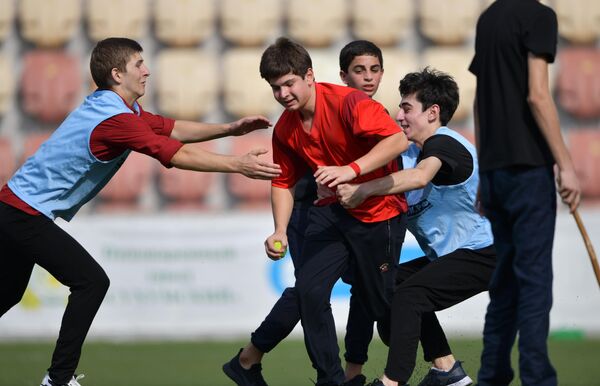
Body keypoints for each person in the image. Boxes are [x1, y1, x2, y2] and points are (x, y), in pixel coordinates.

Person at [0, 37, 281, 386]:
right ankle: (58, 379)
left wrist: (229, 129)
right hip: (23, 214)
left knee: (8, 294)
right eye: (138, 65)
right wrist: (237, 164)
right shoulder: (117, 119)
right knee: (91, 282)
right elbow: (175, 154)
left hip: (16, 208)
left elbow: (172, 128)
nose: (147, 71)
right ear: (117, 74)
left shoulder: (118, 109)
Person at [223, 40, 404, 386]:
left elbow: (397, 141)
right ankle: (332, 379)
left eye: (289, 83)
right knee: (308, 290)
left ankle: (440, 364)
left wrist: (351, 169)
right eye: (275, 87)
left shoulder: (350, 103)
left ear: (309, 76)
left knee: (384, 304)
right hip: (333, 215)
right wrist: (279, 230)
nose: (283, 93)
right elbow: (282, 183)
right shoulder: (285, 129)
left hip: (380, 215)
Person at [335, 68, 496, 386]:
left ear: (433, 112)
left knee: (410, 296)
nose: (399, 114)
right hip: (458, 255)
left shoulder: (445, 145)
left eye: (407, 107)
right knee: (387, 287)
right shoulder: (407, 153)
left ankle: (392, 381)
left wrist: (364, 189)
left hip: (490, 251)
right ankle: (447, 370)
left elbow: (421, 177)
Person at [469, 1, 581, 385]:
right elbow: (537, 94)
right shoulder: (540, 16)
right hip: (528, 170)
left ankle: (492, 375)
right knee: (533, 284)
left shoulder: (488, 19)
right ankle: (537, 378)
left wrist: (485, 170)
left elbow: (479, 102)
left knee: (504, 285)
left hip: (496, 171)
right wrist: (565, 163)